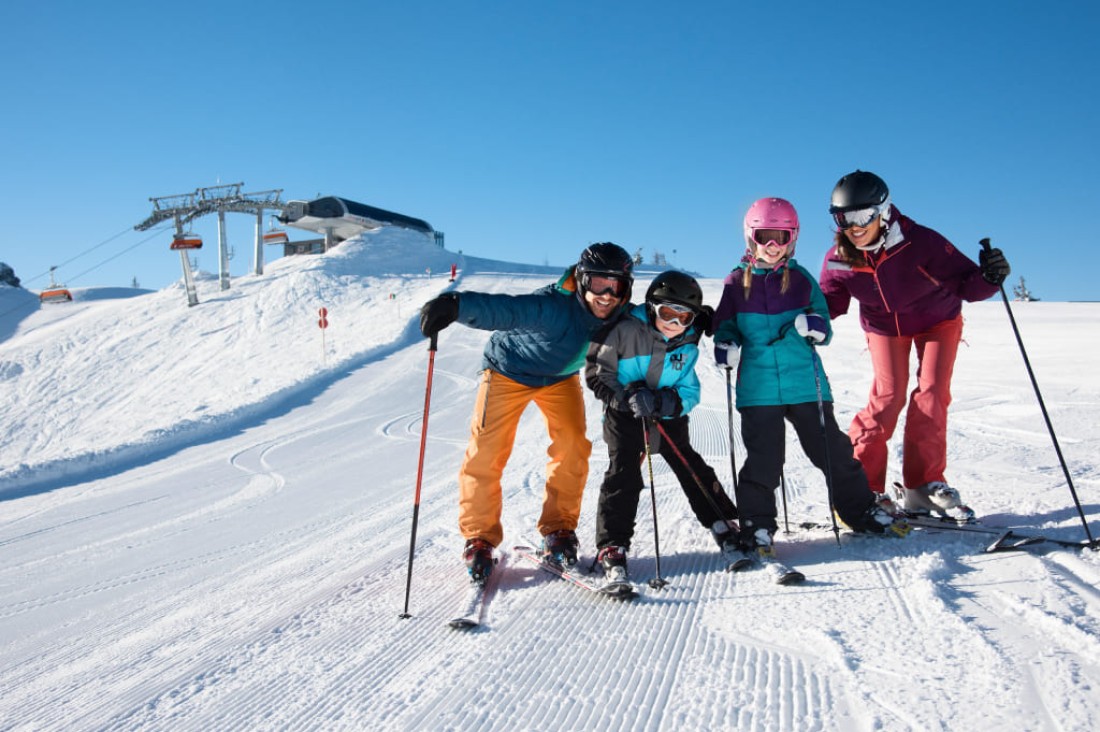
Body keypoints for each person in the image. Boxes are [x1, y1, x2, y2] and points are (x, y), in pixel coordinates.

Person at [419, 243, 634, 584]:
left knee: (574, 445)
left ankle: (559, 530)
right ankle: (479, 537)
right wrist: (457, 305)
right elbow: (504, 310)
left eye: (617, 286)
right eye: (598, 284)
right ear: (581, 281)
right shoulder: (550, 306)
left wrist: (696, 318)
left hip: (559, 379)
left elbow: (657, 321)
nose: (607, 295)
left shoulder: (623, 314)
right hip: (507, 371)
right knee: (487, 450)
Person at [712, 197, 910, 556]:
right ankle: (757, 524)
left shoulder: (801, 280)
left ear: (794, 239)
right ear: (750, 237)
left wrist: (816, 326)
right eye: (764, 237)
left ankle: (859, 510)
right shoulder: (735, 282)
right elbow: (724, 326)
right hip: (758, 390)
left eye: (781, 238)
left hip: (806, 383)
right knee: (764, 460)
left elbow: (823, 322)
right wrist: (725, 345)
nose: (772, 247)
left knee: (832, 451)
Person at [817, 171, 1010, 518]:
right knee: (888, 399)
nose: (854, 226)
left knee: (932, 393)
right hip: (883, 327)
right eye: (843, 218)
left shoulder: (921, 242)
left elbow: (969, 285)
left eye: (862, 216)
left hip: (938, 320)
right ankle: (863, 488)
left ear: (883, 211)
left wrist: (990, 277)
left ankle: (923, 486)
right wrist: (803, 320)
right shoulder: (839, 258)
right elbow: (829, 303)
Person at [585, 270, 740, 582]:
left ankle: (721, 522)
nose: (674, 324)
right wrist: (625, 397)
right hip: (624, 414)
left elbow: (691, 390)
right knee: (624, 472)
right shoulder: (625, 329)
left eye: (684, 318)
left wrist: (667, 403)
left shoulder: (688, 344)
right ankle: (612, 544)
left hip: (666, 414)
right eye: (668, 313)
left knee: (690, 465)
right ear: (652, 306)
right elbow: (597, 372)